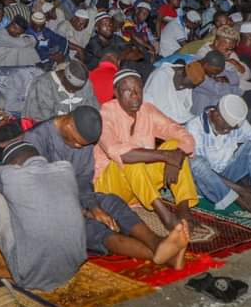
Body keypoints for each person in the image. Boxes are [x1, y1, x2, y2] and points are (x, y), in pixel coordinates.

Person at [24, 108, 192, 270]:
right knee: (93, 228)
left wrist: (94, 206)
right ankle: (166, 256)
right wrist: (87, 212)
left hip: (75, 194)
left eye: (82, 144)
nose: (77, 146)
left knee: (112, 202)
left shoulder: (84, 142)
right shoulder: (36, 139)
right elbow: (41, 192)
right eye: (76, 142)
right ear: (67, 123)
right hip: (49, 207)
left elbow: (83, 179)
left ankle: (157, 243)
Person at [0, 142, 87, 291]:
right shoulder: (66, 169)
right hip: (71, 267)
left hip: (29, 277)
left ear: (13, 164)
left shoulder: (11, 175)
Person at [93, 70, 198, 230]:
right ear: (116, 93)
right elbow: (116, 151)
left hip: (141, 187)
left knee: (174, 146)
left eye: (138, 89)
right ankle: (164, 214)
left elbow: (184, 136)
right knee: (131, 157)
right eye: (128, 90)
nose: (135, 95)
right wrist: (165, 156)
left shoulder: (147, 110)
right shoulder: (105, 114)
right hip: (110, 189)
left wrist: (174, 158)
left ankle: (183, 209)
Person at [186, 94, 251, 216]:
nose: (229, 131)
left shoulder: (236, 122)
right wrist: (243, 192)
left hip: (226, 175)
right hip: (202, 183)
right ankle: (241, 203)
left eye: (231, 128)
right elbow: (205, 171)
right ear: (215, 114)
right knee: (196, 163)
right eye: (226, 128)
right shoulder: (194, 128)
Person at [22, 59, 99, 121]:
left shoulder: (85, 83)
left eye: (78, 89)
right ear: (63, 78)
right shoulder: (43, 84)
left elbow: (94, 111)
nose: (73, 92)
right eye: (72, 89)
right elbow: (44, 121)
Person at [142, 59, 205, 125]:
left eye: (191, 87)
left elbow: (186, 107)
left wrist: (194, 119)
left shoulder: (187, 79)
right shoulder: (161, 76)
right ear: (179, 72)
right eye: (185, 85)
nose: (187, 88)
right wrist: (188, 121)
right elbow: (163, 110)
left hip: (172, 122)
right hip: (150, 119)